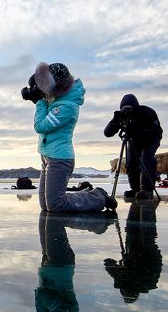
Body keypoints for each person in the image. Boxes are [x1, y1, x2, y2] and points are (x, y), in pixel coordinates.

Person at [28, 62, 113, 213]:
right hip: (47, 156)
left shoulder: (67, 106)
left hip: (59, 159)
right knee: (46, 205)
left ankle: (98, 197)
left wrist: (39, 102)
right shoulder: (57, 100)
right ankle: (91, 195)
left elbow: (40, 126)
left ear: (57, 87)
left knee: (56, 205)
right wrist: (36, 93)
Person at [103, 93, 163, 200]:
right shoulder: (122, 116)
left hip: (151, 139)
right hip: (134, 140)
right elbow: (107, 133)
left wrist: (136, 131)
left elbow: (156, 131)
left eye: (129, 108)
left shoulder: (147, 113)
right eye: (124, 109)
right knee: (131, 163)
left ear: (135, 107)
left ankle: (147, 190)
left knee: (146, 159)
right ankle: (135, 189)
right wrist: (115, 121)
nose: (127, 111)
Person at [104, 198, 163, 304]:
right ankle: (142, 199)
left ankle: (140, 200)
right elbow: (108, 264)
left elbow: (110, 265)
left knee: (140, 230)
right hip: (141, 251)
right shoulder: (126, 281)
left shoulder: (148, 283)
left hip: (147, 251)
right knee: (134, 230)